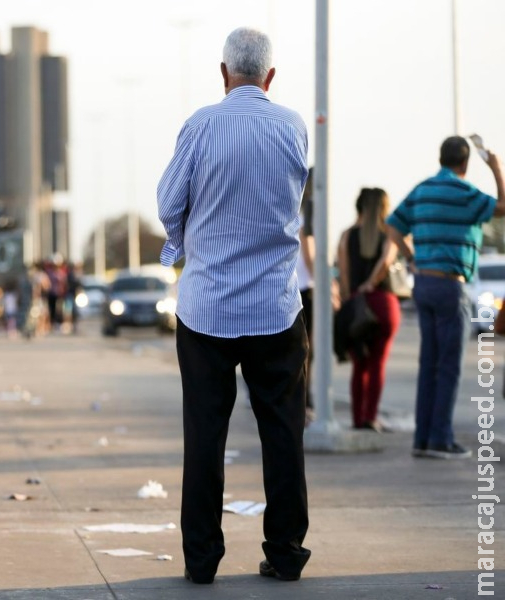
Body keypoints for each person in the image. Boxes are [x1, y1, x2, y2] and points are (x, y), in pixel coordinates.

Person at [157, 27, 310, 585]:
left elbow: (170, 201)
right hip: (275, 305)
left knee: (205, 435)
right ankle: (286, 553)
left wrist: (182, 244)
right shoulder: (293, 127)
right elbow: (292, 201)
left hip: (208, 310)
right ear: (270, 77)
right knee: (283, 434)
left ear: (224, 74)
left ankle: (201, 561)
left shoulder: (200, 125)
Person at [386, 136, 505, 459]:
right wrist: (496, 168)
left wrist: (412, 256)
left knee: (429, 363)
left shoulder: (422, 189)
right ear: (465, 162)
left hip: (423, 283)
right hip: (451, 286)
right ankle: (440, 438)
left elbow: (392, 226)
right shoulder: (465, 193)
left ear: (441, 158)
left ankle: (423, 438)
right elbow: (502, 208)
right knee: (448, 366)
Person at [337, 188, 401, 432]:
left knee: (359, 365)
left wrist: (350, 297)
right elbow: (386, 262)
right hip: (383, 304)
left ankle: (357, 419)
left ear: (359, 207)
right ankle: (371, 417)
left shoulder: (346, 236)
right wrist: (372, 283)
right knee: (377, 364)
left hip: (356, 305)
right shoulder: (389, 235)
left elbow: (343, 275)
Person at [296, 168, 316, 424]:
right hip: (306, 287)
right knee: (305, 350)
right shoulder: (308, 213)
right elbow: (310, 252)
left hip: (295, 286)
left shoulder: (291, 209)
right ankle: (305, 401)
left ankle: (304, 400)